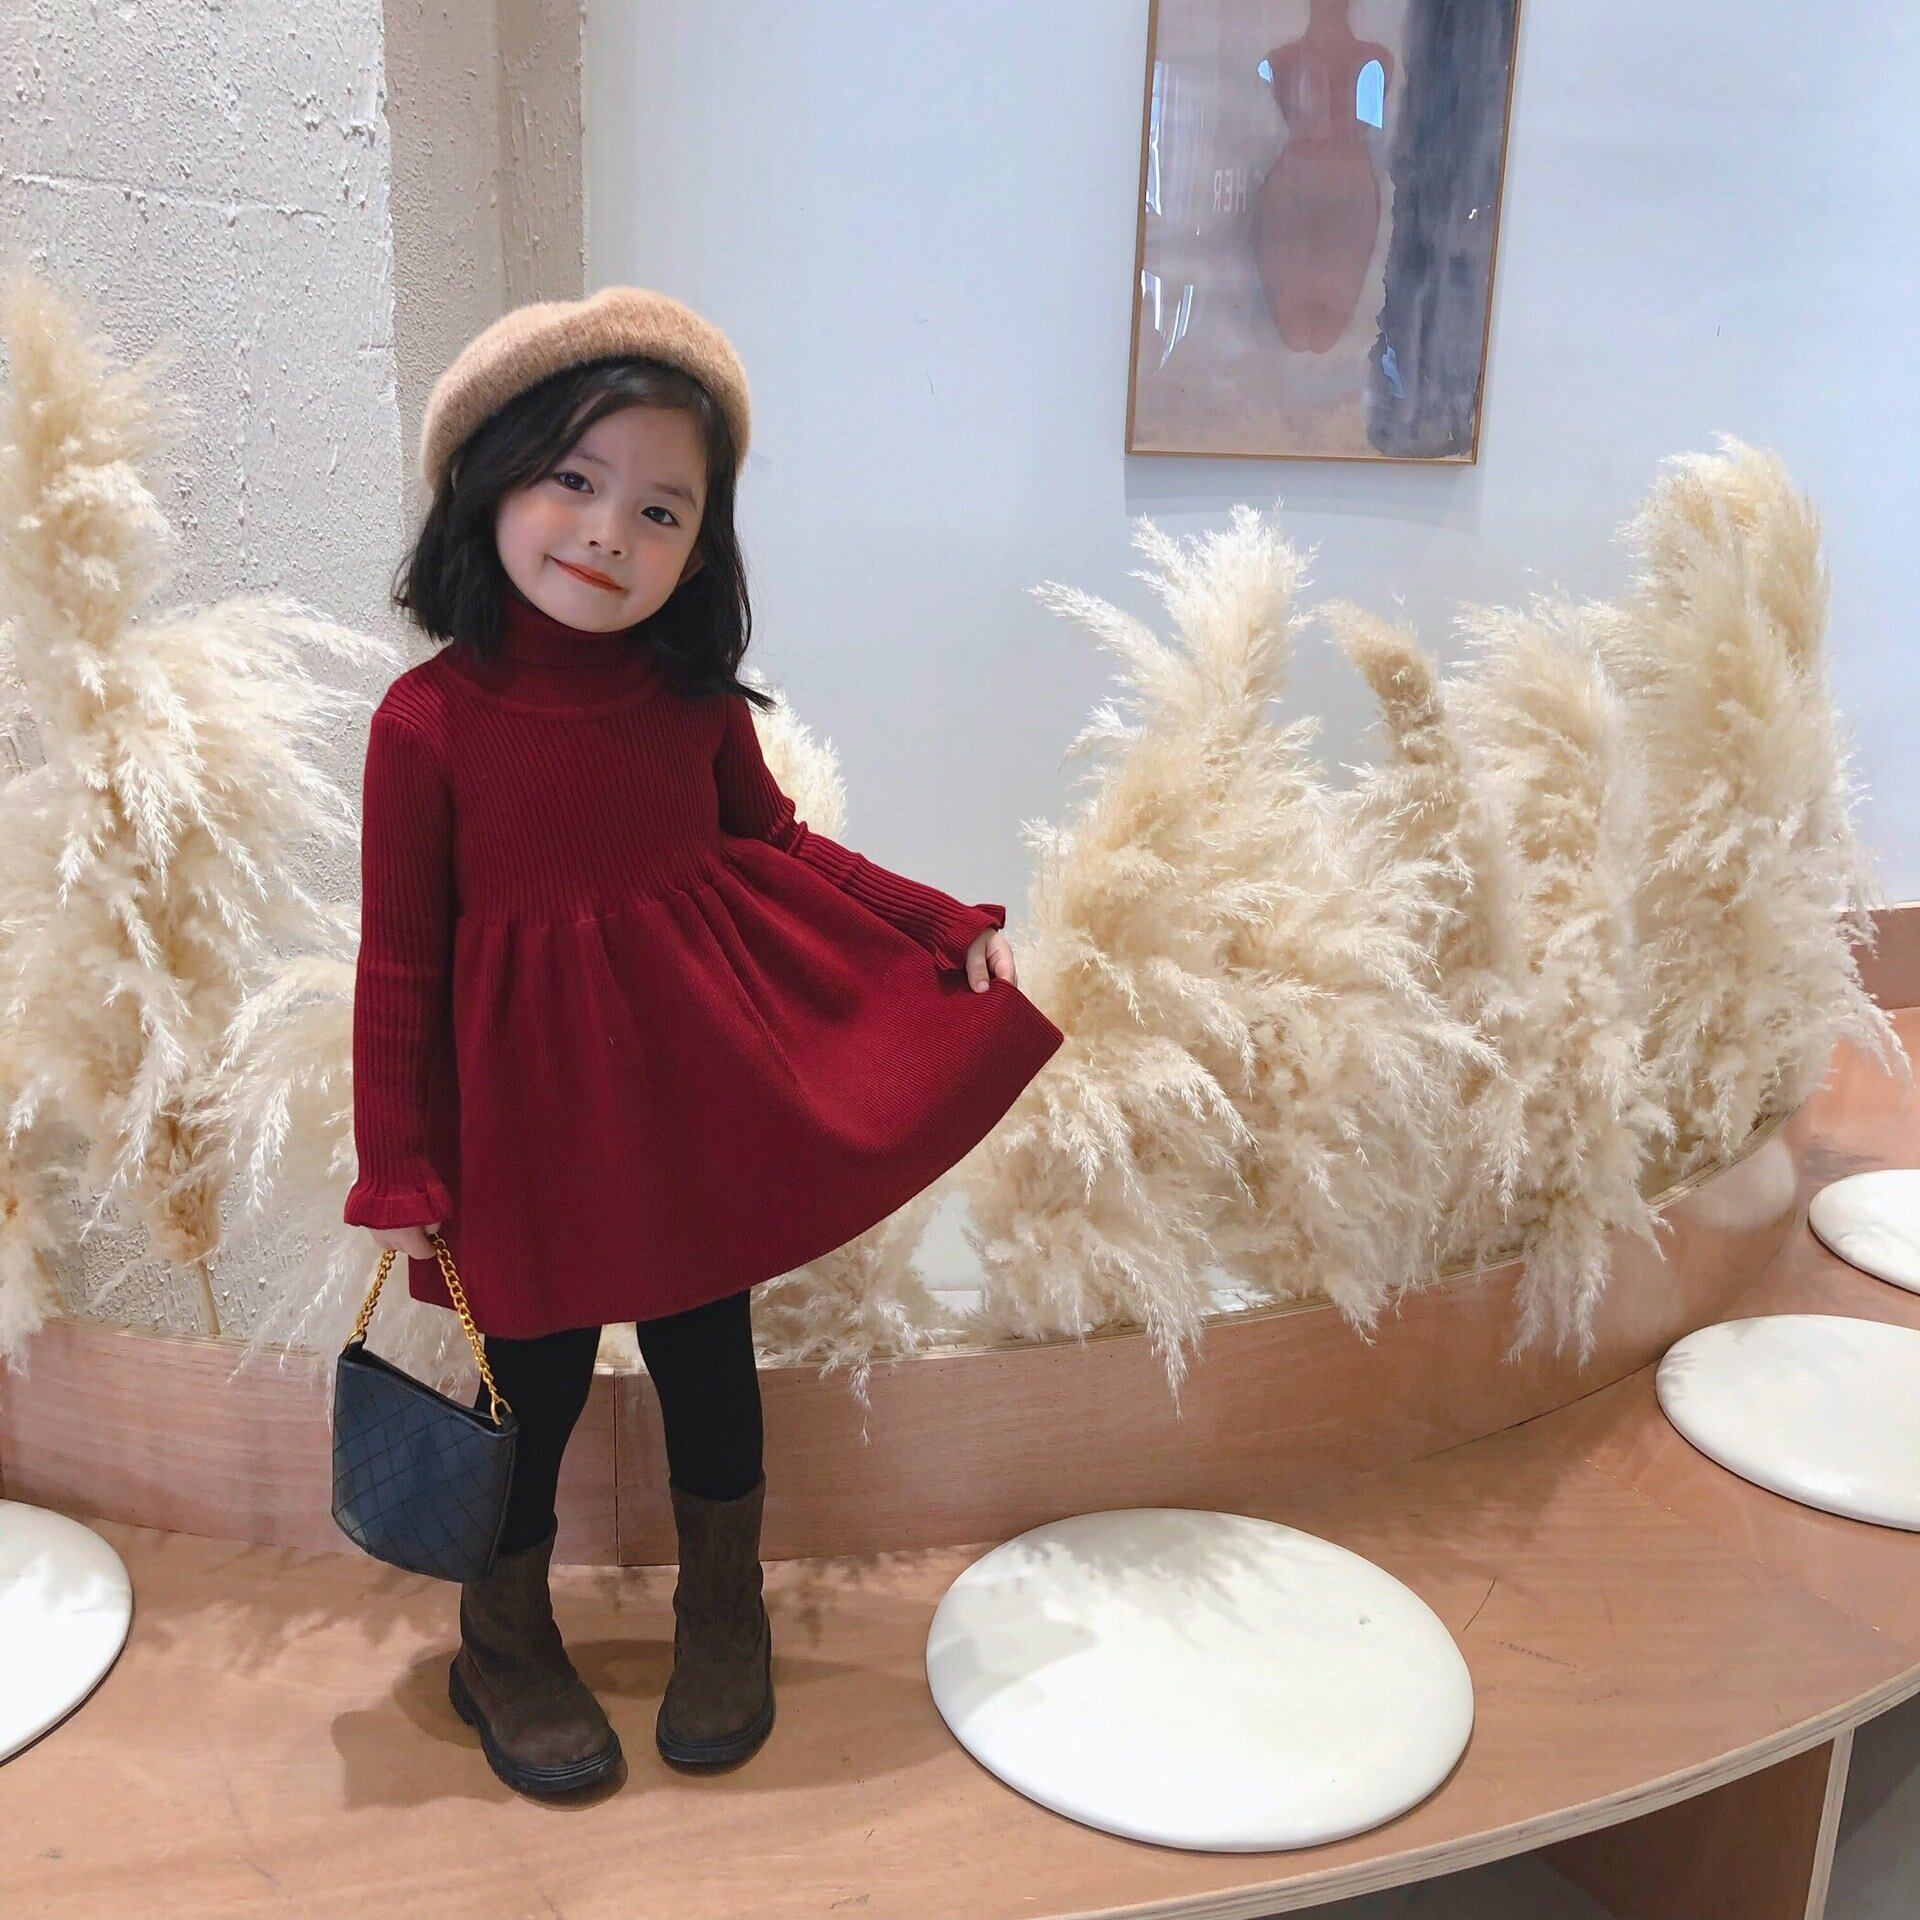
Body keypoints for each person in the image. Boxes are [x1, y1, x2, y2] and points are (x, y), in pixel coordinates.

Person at [342, 286, 1065, 1798]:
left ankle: (724, 1609)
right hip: (527, 1132)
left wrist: (934, 918)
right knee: (530, 1396)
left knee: (709, 1367)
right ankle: (502, 1639)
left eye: (662, 509)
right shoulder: (427, 724)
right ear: (489, 482)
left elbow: (778, 846)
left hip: (685, 1109)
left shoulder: (686, 703)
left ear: (702, 546)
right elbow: (399, 958)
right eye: (575, 479)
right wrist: (397, 1161)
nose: (610, 533)